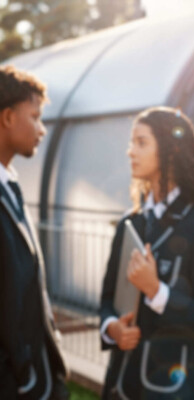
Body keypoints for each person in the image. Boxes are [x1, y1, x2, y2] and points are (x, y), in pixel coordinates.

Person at [100, 106, 194, 399]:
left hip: (175, 389)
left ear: (170, 149)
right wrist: (111, 328)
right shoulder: (130, 222)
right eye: (131, 143)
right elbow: (106, 299)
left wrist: (156, 291)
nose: (130, 151)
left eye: (141, 142)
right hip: (121, 384)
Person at [0, 65, 68, 399]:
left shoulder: (10, 184)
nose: (42, 130)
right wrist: (19, 372)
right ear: (8, 118)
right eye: (35, 117)